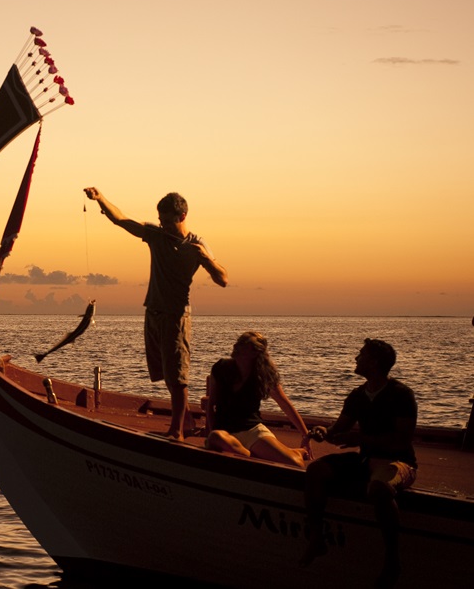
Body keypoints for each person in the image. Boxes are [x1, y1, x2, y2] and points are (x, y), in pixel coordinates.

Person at [83, 187, 228, 440]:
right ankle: (187, 421)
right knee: (164, 373)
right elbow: (123, 220)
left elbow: (223, 280)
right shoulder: (157, 236)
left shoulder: (196, 244)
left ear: (182, 217)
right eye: (160, 220)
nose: (163, 225)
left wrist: (207, 260)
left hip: (176, 316)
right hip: (153, 313)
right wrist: (100, 199)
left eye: (168, 221)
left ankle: (177, 432)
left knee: (178, 376)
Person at [300, 338, 417, 588]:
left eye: (361, 354)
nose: (356, 358)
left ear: (374, 363)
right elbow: (338, 429)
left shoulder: (401, 395)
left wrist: (360, 438)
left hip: (399, 462)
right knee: (316, 470)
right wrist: (323, 431)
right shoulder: (357, 395)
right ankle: (317, 538)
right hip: (365, 460)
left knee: (379, 489)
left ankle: (392, 560)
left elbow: (402, 440)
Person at [205, 331, 311, 467]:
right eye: (238, 342)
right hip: (225, 434)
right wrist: (210, 430)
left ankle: (296, 452)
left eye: (244, 344)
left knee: (296, 464)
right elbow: (210, 404)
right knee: (215, 437)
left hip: (252, 431)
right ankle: (256, 454)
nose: (236, 346)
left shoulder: (263, 376)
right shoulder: (221, 368)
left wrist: (305, 435)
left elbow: (284, 404)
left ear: (255, 353)